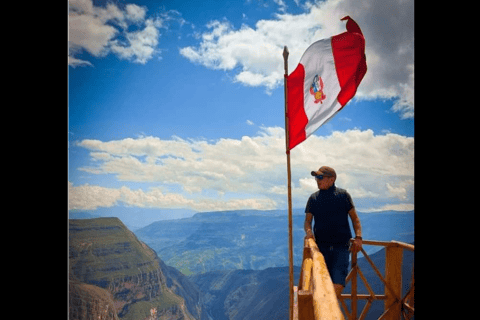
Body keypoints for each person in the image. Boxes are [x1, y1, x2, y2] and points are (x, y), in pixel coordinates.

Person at [304, 166, 363, 298]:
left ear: (332, 179)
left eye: (320, 177)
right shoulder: (313, 198)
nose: (317, 180)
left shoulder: (343, 195)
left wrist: (358, 237)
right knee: (320, 283)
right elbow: (308, 221)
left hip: (341, 248)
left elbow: (355, 219)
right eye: (316, 177)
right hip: (320, 248)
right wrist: (309, 232)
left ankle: (327, 312)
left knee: (338, 283)